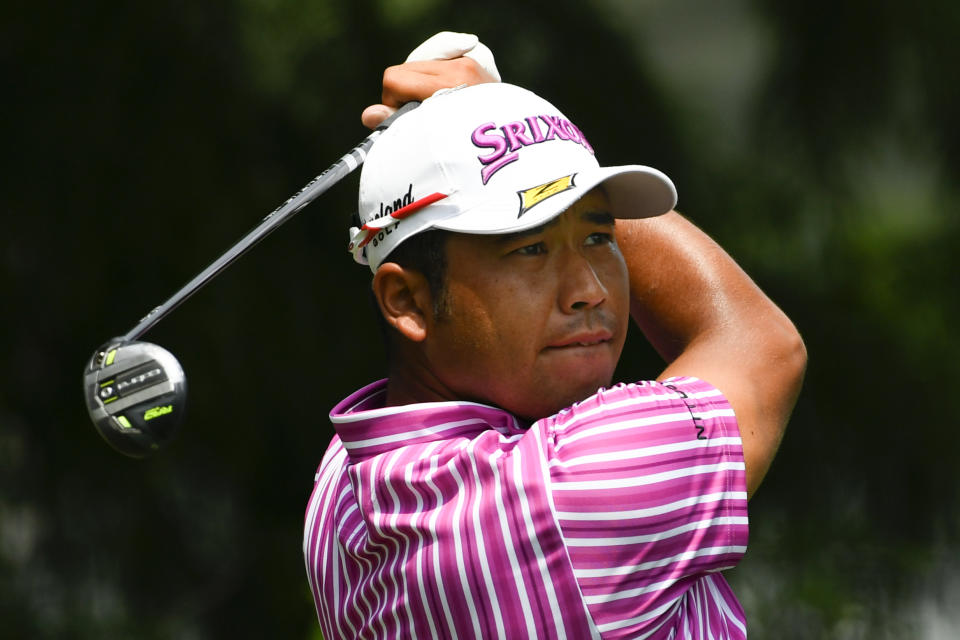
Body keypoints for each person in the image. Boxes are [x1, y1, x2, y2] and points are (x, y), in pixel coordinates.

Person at [303, 32, 806, 639]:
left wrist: (512, 136)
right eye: (531, 248)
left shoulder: (340, 487)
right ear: (406, 300)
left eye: (599, 236)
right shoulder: (576, 484)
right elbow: (762, 345)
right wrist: (501, 113)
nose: (588, 289)